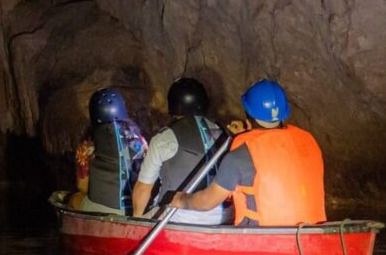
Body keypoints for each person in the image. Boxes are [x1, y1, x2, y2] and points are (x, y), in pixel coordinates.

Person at [170, 79, 326, 226]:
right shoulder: (309, 141)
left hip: (264, 242)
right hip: (311, 237)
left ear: (247, 115)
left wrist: (182, 200)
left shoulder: (240, 155)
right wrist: (246, 135)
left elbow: (206, 202)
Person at [132, 78, 232, 225]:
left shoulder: (165, 138)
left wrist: (136, 220)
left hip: (178, 215)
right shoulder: (224, 133)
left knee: (143, 217)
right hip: (223, 214)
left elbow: (143, 188)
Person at [71, 88, 147, 216]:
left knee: (74, 200)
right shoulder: (139, 139)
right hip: (139, 205)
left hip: (104, 206)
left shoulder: (88, 144)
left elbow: (82, 186)